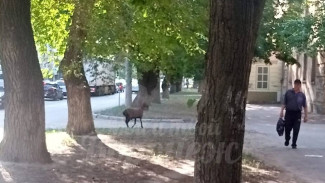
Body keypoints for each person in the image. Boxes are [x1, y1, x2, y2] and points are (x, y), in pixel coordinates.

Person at [280, 79, 308, 149]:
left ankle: (294, 143)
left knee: (296, 129)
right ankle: (287, 138)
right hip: (289, 113)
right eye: (296, 84)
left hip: (297, 114)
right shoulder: (288, 93)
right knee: (287, 128)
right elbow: (284, 103)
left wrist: (306, 116)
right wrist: (281, 111)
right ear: (294, 84)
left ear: (300, 85)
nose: (297, 86)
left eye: (299, 85)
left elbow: (305, 106)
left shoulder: (302, 95)